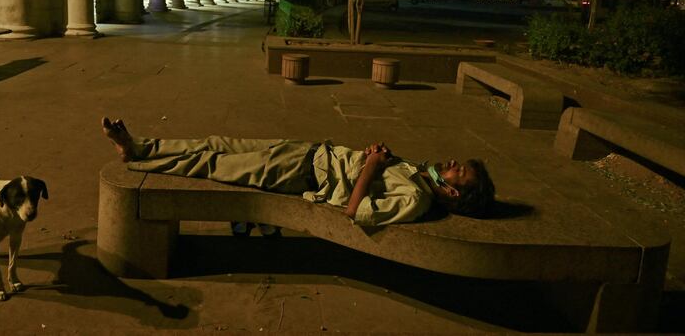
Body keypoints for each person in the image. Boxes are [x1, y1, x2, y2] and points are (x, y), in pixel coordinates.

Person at [101, 117, 495, 226]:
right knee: (216, 142)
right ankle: (142, 146)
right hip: (308, 152)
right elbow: (369, 172)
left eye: (463, 173)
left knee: (211, 163)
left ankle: (137, 158)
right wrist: (377, 158)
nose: (456, 165)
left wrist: (372, 166)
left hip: (301, 174)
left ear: (455, 193)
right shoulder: (419, 173)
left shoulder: (417, 198)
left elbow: (355, 213)